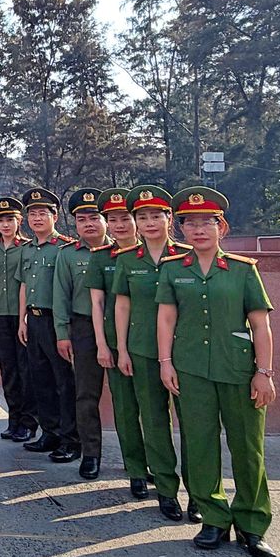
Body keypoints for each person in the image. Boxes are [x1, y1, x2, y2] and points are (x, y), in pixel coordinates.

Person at [157, 187, 276, 557]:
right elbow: (166, 317)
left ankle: (252, 526)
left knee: (248, 449)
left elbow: (260, 324)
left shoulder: (243, 270)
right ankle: (213, 517)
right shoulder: (175, 270)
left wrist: (264, 372)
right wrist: (165, 363)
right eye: (190, 224)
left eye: (206, 223)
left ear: (221, 226)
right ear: (181, 231)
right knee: (201, 445)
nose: (198, 230)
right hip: (191, 369)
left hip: (239, 371)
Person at [113, 185, 198, 521]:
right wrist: (122, 348)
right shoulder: (127, 260)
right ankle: (166, 489)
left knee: (193, 425)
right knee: (154, 420)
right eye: (142, 217)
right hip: (143, 349)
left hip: (187, 352)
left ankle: (199, 491)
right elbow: (121, 305)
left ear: (169, 219)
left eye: (156, 216)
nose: (149, 223)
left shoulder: (189, 254)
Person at [85, 188, 150, 497]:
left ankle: (158, 466)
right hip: (115, 341)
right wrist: (101, 344)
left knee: (154, 410)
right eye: (113, 219)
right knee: (125, 408)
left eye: (125, 218)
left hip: (154, 343)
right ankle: (135, 469)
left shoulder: (161, 254)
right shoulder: (101, 258)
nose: (120, 225)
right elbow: (97, 305)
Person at [51, 188, 111, 474]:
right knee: (85, 393)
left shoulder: (124, 250)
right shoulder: (68, 255)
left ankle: (141, 459)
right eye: (81, 219)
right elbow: (60, 296)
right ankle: (91, 453)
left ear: (106, 220)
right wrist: (62, 333)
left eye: (94, 217)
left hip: (123, 329)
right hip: (84, 328)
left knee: (133, 398)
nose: (88, 223)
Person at [16, 187, 77, 455]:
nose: (37, 218)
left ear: (55, 216)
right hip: (34, 320)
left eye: (43, 213)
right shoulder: (27, 250)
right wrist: (22, 320)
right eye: (32, 214)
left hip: (57, 321)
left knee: (63, 381)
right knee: (40, 379)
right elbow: (22, 285)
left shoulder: (65, 247)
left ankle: (70, 439)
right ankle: (49, 433)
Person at [0, 197, 37, 442]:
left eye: (10, 219)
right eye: (1, 220)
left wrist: (24, 317)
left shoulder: (26, 247)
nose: (5, 224)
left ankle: (29, 421)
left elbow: (26, 282)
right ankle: (14, 419)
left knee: (25, 369)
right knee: (9, 369)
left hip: (20, 315)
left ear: (19, 221)